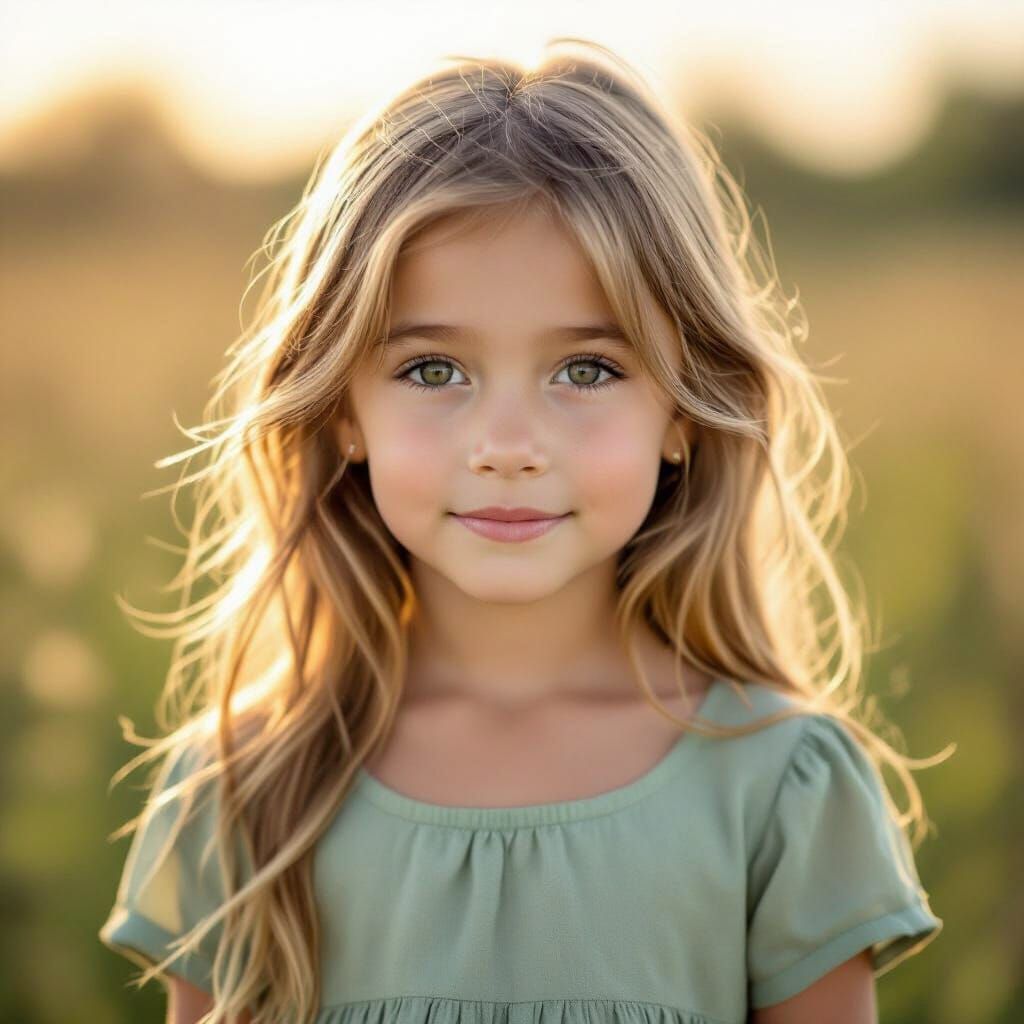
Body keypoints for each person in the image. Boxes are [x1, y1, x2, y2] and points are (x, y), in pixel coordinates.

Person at [98, 37, 945, 1024]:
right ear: (341, 410)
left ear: (683, 408)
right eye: (431, 370)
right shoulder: (243, 789)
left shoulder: (782, 787)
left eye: (585, 369)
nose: (507, 445)